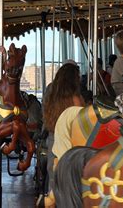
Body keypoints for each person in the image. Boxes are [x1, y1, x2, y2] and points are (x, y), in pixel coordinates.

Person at [42, 62, 85, 207]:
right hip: (69, 139)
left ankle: (52, 200)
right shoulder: (75, 98)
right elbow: (82, 120)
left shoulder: (51, 92)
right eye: (78, 77)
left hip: (53, 136)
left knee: (53, 174)